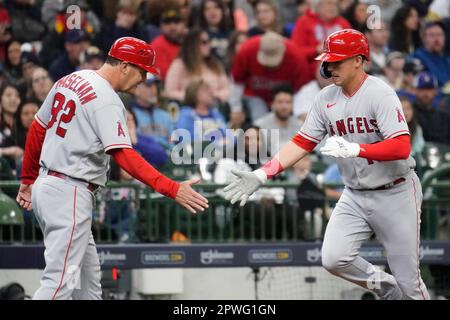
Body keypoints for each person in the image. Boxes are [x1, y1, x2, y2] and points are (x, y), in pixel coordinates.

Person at [223, 29, 430, 300]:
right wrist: (264, 173)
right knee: (334, 258)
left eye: (338, 61)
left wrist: (357, 148)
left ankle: (400, 289)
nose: (330, 67)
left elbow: (402, 147)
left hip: (396, 192)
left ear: (359, 60)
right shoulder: (325, 98)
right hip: (355, 193)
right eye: (328, 61)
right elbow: (301, 142)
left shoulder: (380, 93)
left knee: (410, 282)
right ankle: (388, 289)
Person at [16, 37, 209, 300]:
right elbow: (124, 156)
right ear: (126, 66)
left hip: (50, 185)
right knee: (59, 283)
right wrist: (172, 188)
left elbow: (38, 128)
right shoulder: (107, 98)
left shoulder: (71, 79)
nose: (144, 80)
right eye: (143, 71)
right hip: (69, 191)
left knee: (88, 282)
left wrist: (28, 178)